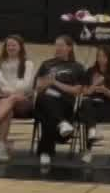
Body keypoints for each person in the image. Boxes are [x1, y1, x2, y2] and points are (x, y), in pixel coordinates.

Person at [32, 35, 87, 166]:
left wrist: (55, 83)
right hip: (44, 100)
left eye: (61, 45)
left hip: (65, 103)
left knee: (48, 115)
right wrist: (46, 84)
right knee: (45, 98)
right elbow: (38, 88)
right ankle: (62, 123)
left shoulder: (77, 67)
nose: (58, 48)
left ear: (69, 48)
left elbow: (77, 91)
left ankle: (45, 152)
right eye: (56, 45)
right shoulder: (47, 64)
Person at [0, 35, 35, 161]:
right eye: (8, 45)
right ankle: (1, 147)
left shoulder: (28, 63)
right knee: (7, 110)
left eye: (14, 45)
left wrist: (13, 93)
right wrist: (15, 93)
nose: (11, 47)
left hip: (24, 102)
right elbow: (1, 85)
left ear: (20, 47)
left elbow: (27, 86)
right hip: (5, 101)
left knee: (7, 102)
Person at [78, 43, 110, 165]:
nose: (100, 59)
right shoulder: (90, 71)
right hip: (90, 105)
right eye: (98, 56)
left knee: (88, 112)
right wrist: (94, 87)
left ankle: (88, 148)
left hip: (107, 107)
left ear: (109, 58)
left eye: (103, 56)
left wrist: (106, 91)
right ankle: (92, 134)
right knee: (86, 103)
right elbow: (84, 92)